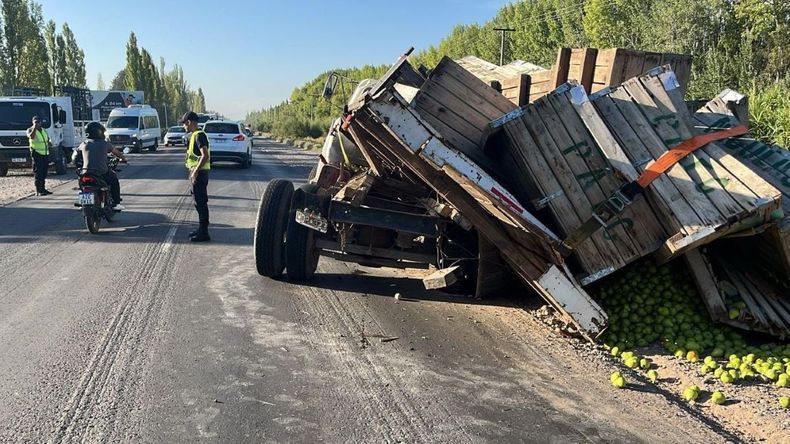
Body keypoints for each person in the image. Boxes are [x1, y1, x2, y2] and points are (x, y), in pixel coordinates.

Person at [78, 121, 126, 208]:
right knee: (114, 180)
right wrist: (123, 158)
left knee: (81, 182)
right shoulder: (105, 143)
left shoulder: (84, 144)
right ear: (99, 132)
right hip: (101, 172)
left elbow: (75, 156)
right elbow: (116, 153)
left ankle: (83, 201)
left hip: (86, 172)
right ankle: (117, 203)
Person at [182, 111, 211, 242]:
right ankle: (201, 229)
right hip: (197, 173)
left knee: (201, 203)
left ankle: (204, 232)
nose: (184, 127)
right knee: (198, 203)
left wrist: (195, 172)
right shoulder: (195, 135)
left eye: (184, 124)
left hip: (199, 174)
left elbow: (205, 155)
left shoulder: (199, 135)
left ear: (189, 122)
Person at [27, 116, 51, 196]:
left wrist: (49, 143)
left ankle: (43, 188)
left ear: (41, 122)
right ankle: (38, 190)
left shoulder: (44, 130)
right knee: (38, 172)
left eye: (38, 122)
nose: (37, 123)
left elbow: (47, 139)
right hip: (37, 153)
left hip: (45, 153)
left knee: (44, 172)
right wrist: (34, 128)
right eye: (35, 122)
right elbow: (31, 136)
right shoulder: (30, 130)